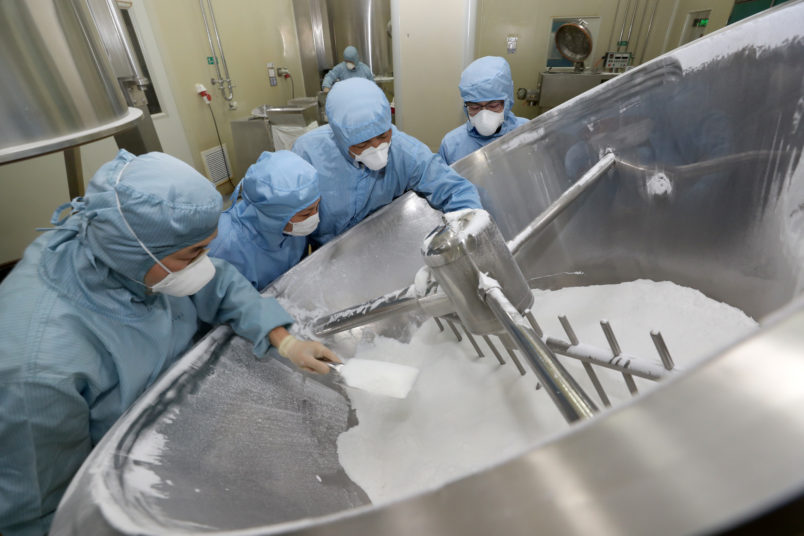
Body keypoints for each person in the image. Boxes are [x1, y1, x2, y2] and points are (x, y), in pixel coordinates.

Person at [0, 150, 338, 535]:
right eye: (194, 253)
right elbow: (37, 511)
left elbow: (219, 281)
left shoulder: (131, 247)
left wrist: (284, 340)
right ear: (138, 252)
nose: (204, 262)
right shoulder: (38, 370)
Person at [292, 77, 483, 245]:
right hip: (325, 252)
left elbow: (454, 189)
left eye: (383, 136)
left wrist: (470, 227)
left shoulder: (403, 150)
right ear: (340, 138)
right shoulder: (308, 154)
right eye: (362, 144)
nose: (376, 148)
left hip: (378, 243)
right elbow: (290, 219)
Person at [208, 150, 320, 290]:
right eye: (305, 214)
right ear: (273, 216)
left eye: (317, 206)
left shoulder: (291, 227)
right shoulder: (223, 249)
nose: (315, 216)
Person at [439, 56, 530, 165]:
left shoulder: (527, 131)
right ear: (466, 107)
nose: (484, 115)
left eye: (493, 106)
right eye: (474, 107)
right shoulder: (451, 144)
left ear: (507, 101)